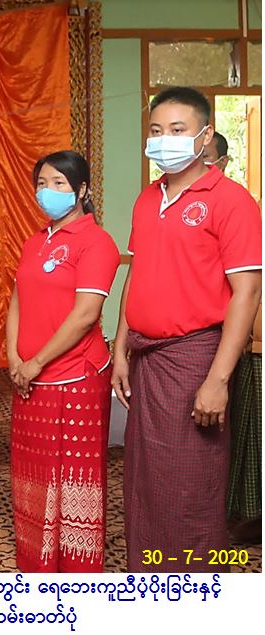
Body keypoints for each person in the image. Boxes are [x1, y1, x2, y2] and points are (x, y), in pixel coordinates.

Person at [113, 87, 262, 572]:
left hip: (195, 357)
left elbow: (247, 292)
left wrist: (217, 380)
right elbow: (136, 274)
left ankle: (194, 590)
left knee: (189, 486)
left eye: (177, 130)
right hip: (146, 355)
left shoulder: (231, 201)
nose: (165, 139)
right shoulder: (147, 198)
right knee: (145, 480)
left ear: (204, 135)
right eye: (156, 130)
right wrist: (120, 349)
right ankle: (147, 581)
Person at [6, 150, 120, 572]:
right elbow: (17, 300)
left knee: (74, 479)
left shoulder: (96, 242)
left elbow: (85, 315)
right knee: (34, 471)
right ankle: (37, 561)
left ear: (82, 189)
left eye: (59, 183)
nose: (48, 191)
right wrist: (14, 357)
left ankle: (76, 571)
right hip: (28, 376)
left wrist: (36, 362)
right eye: (42, 183)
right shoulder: (35, 241)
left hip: (74, 378)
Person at [205, 132, 264, 544]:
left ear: (224, 162)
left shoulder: (238, 204)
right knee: (243, 441)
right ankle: (246, 515)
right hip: (247, 344)